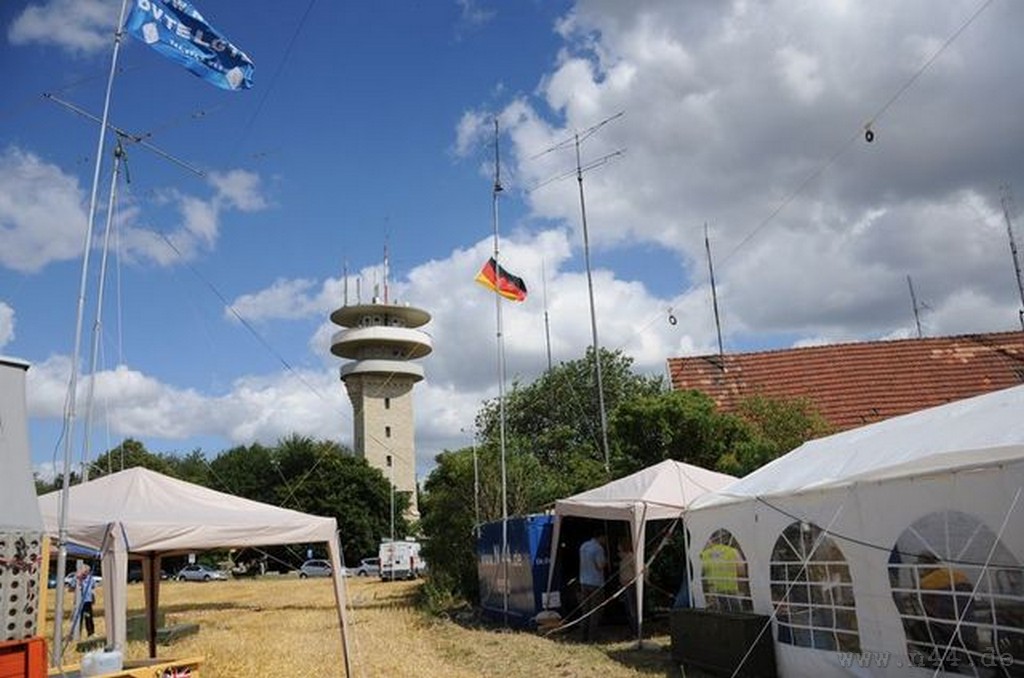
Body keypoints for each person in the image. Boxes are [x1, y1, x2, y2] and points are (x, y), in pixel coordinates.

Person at [578, 532, 608, 641]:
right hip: (595, 582)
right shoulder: (598, 548)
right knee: (595, 610)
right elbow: (600, 565)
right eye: (605, 538)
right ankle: (593, 636)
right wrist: (606, 562)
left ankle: (583, 635)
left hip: (584, 581)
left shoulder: (583, 546)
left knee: (586, 610)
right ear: (601, 536)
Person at [617, 539, 638, 635]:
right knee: (628, 609)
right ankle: (632, 629)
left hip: (630, 586)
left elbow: (640, 570)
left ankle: (636, 630)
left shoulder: (631, 557)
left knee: (632, 609)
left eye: (619, 547)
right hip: (624, 586)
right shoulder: (623, 559)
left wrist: (633, 580)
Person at [77, 565, 96, 637]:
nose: (86, 572)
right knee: (79, 618)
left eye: (87, 571)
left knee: (88, 617)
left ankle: (91, 633)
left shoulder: (91, 579)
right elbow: (71, 588)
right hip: (79, 602)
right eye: (85, 571)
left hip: (87, 601)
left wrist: (93, 598)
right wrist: (79, 580)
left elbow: (93, 588)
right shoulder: (78, 578)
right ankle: (77, 633)